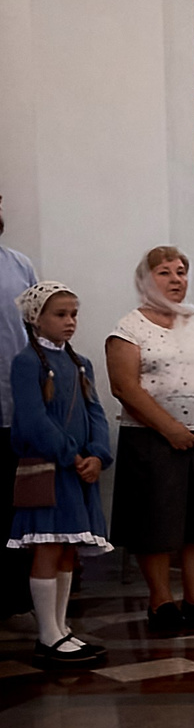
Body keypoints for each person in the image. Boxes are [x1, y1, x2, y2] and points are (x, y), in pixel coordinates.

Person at [103, 248, 194, 635]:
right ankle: (161, 600)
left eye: (181, 272)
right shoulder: (129, 328)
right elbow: (124, 386)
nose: (176, 280)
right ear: (145, 279)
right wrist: (170, 429)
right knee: (156, 522)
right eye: (165, 273)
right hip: (153, 440)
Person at [10, 283, 111, 667]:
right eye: (60, 314)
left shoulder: (80, 362)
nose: (70, 322)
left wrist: (99, 455)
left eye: (73, 314)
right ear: (37, 319)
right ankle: (47, 634)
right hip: (50, 471)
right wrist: (73, 455)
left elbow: (96, 412)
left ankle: (62, 627)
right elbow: (34, 421)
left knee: (69, 547)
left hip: (80, 472)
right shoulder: (27, 362)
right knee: (48, 547)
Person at [0, 194, 38, 630]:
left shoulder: (19, 265)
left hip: (17, 407)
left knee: (17, 507)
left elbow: (36, 326)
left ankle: (14, 593)